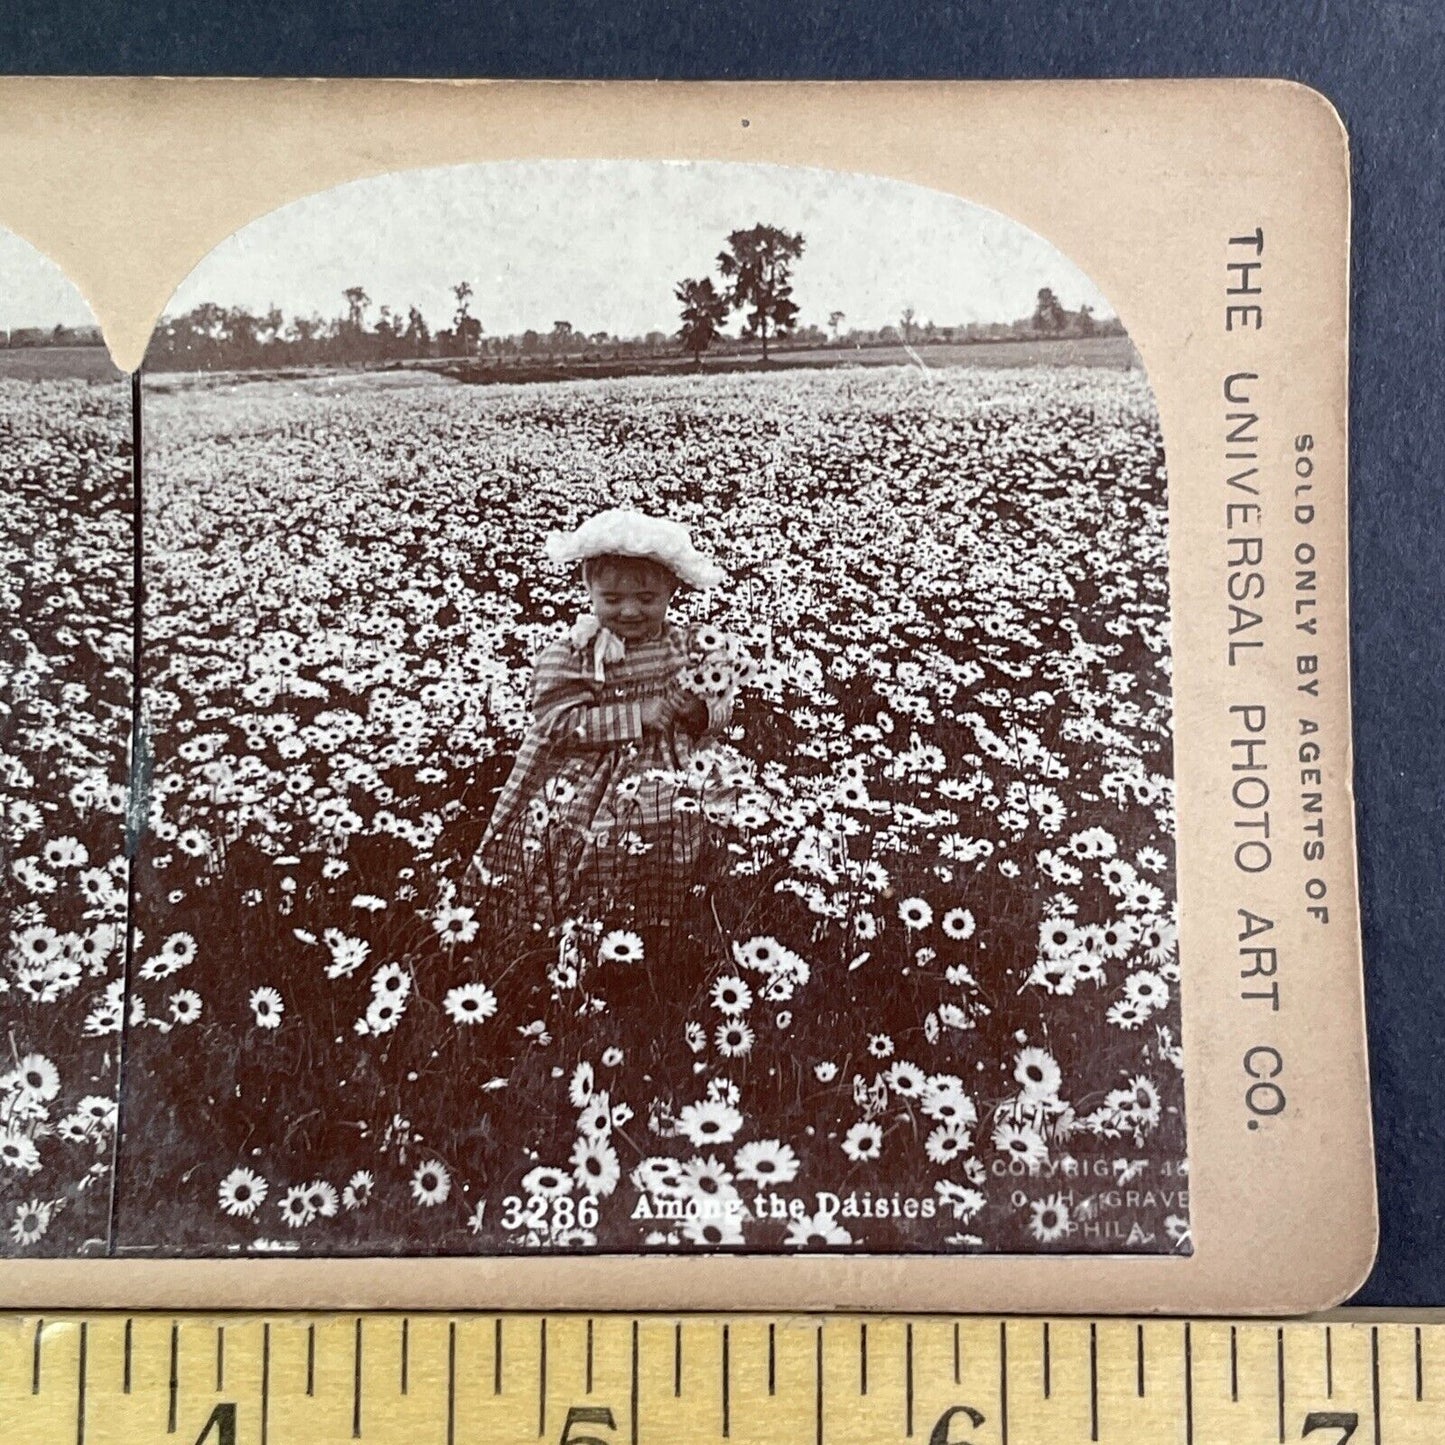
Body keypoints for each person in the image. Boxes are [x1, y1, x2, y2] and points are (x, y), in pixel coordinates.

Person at [465, 508, 738, 932]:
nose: (629, 611)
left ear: (672, 592)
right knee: (588, 841)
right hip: (593, 772)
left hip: (679, 766)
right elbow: (556, 723)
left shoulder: (689, 645)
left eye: (647, 599)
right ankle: (583, 922)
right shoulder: (578, 653)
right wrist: (637, 717)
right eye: (612, 599)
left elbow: (722, 699)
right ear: (589, 590)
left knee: (686, 825)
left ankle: (670, 921)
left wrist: (699, 711)